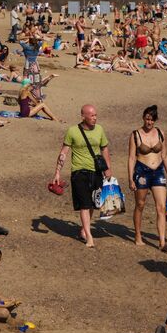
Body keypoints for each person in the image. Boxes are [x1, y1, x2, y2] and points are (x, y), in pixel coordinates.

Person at [50, 105, 113, 248]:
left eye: (96, 115)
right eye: (91, 115)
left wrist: (108, 169)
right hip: (79, 172)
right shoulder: (72, 131)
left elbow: (104, 149)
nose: (94, 118)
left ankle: (84, 230)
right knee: (84, 204)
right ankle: (89, 236)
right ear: (83, 116)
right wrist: (57, 172)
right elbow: (63, 153)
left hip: (96, 171)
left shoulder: (100, 130)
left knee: (92, 203)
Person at [128, 105, 167, 250]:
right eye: (147, 119)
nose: (149, 122)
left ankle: (161, 242)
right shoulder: (135, 134)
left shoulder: (161, 133)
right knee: (140, 205)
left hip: (158, 171)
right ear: (143, 118)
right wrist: (130, 178)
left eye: (152, 120)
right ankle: (137, 235)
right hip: (142, 171)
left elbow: (164, 155)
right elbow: (131, 158)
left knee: (161, 207)